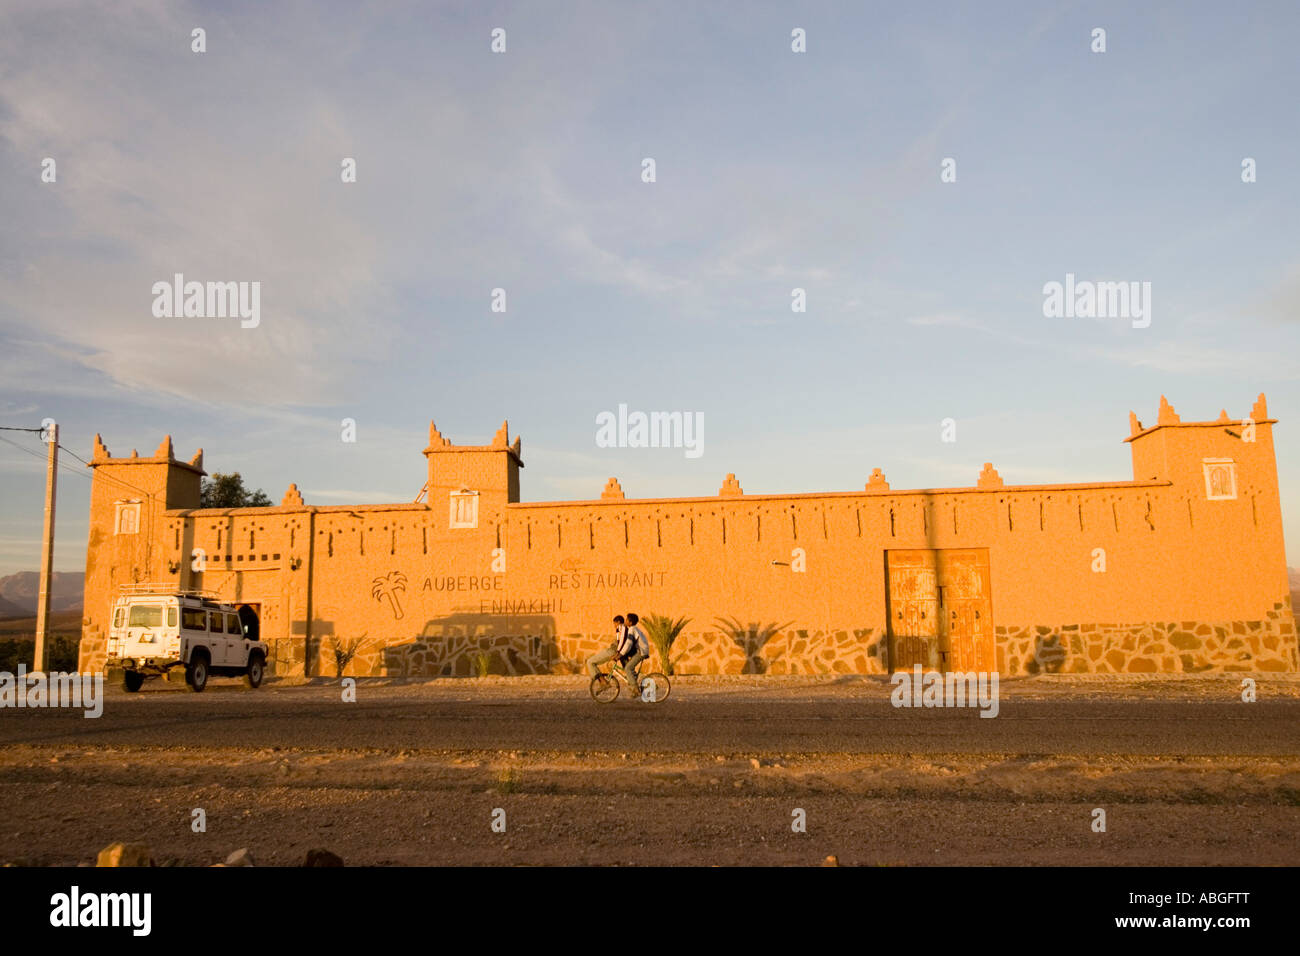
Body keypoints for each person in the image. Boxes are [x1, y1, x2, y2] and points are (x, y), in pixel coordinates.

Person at [621, 612, 650, 689]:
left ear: (630, 622)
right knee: (629, 667)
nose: (625, 621)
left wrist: (621, 653)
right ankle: (634, 680)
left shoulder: (632, 629)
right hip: (641, 650)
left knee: (628, 668)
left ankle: (635, 688)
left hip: (641, 651)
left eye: (627, 620)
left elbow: (628, 643)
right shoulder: (634, 628)